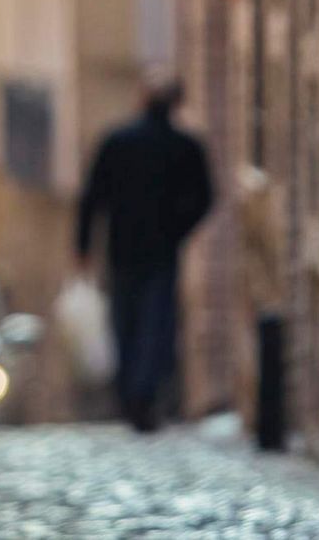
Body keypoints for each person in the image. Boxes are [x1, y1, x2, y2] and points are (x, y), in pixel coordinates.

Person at [75, 76, 212, 432]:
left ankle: (130, 396)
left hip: (121, 249)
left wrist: (84, 248)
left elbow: (92, 198)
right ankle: (143, 395)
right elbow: (204, 198)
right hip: (161, 250)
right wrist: (178, 230)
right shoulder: (184, 145)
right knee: (155, 323)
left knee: (126, 323)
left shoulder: (117, 141)